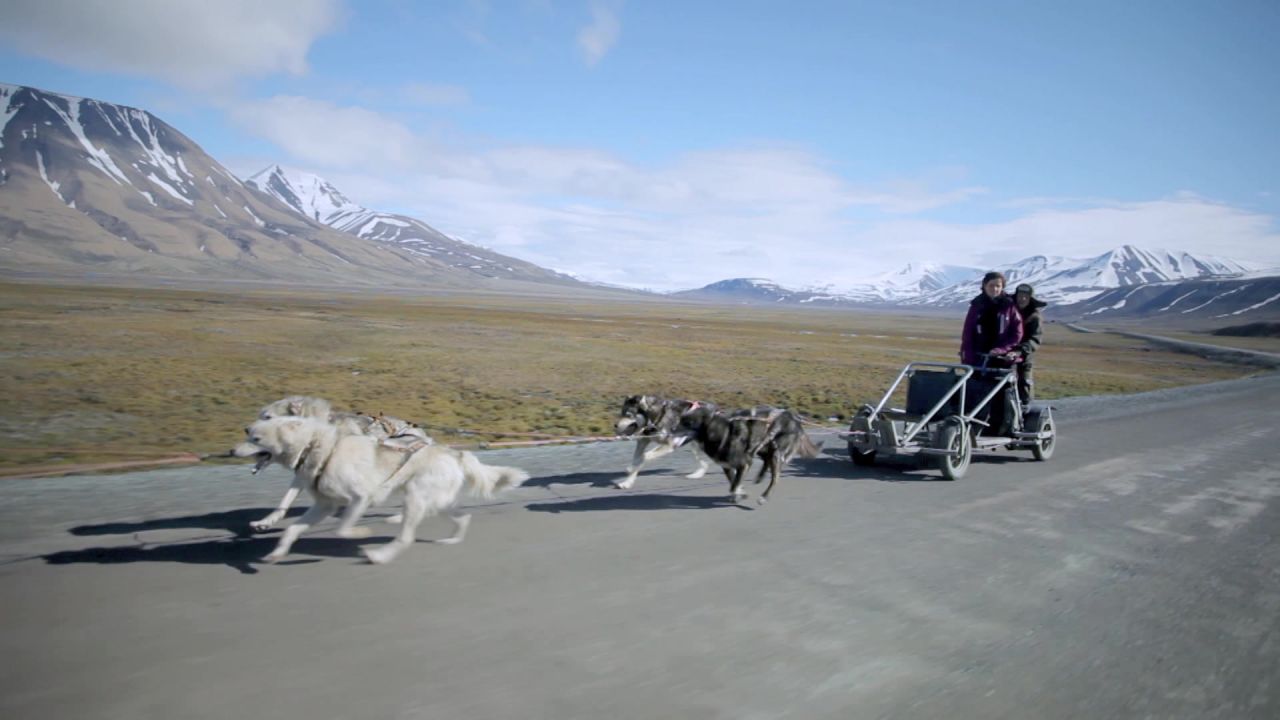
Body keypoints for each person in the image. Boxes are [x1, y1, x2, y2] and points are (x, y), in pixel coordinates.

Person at [959, 271, 1023, 367]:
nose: (994, 289)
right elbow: (968, 333)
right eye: (991, 285)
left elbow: (1017, 333)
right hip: (979, 357)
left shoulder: (1009, 306)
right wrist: (968, 357)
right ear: (984, 286)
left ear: (1002, 287)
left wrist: (1002, 349)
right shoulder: (976, 305)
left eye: (998, 286)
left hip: (1003, 359)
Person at [1011, 283, 1047, 403]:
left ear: (1030, 298)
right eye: (1020, 296)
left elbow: (1035, 339)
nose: (1022, 299)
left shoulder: (1035, 317)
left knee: (1024, 384)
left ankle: (1025, 409)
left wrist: (1021, 350)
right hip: (1005, 355)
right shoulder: (1008, 311)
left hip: (1024, 357)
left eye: (1026, 296)